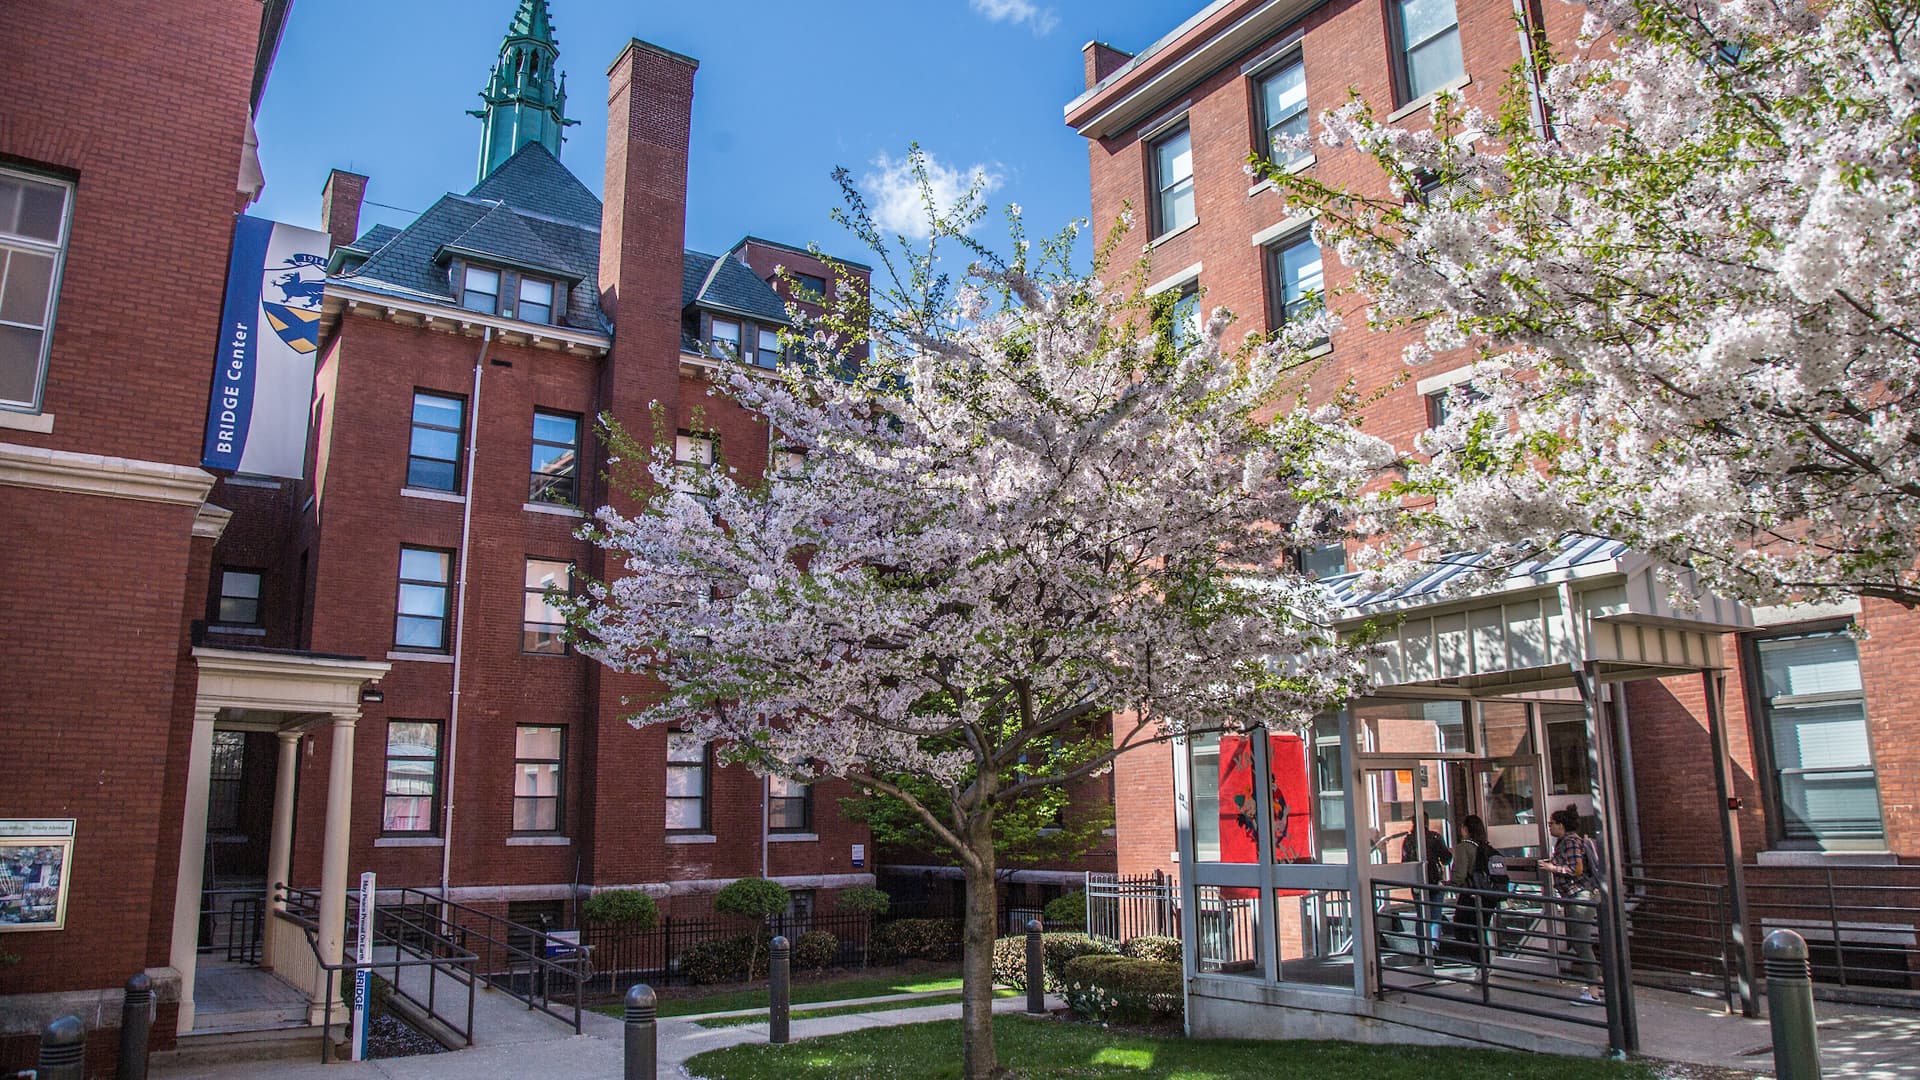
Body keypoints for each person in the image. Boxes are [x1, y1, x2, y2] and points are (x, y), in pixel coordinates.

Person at [1541, 805, 1604, 1005]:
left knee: (1580, 941)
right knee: (1578, 940)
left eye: (1551, 824)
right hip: (1575, 895)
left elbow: (1576, 869)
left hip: (1579, 895)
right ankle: (1599, 982)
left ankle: (1593, 990)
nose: (1549, 827)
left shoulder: (1570, 841)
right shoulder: (1566, 841)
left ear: (1561, 825)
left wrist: (1553, 868)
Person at [1441, 814, 1501, 968]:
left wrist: (1450, 884)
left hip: (1470, 896)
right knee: (1480, 932)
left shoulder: (1464, 847)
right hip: (1488, 896)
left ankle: (1479, 965)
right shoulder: (1485, 847)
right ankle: (1486, 966)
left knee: (1462, 930)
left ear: (1466, 829)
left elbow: (1460, 874)